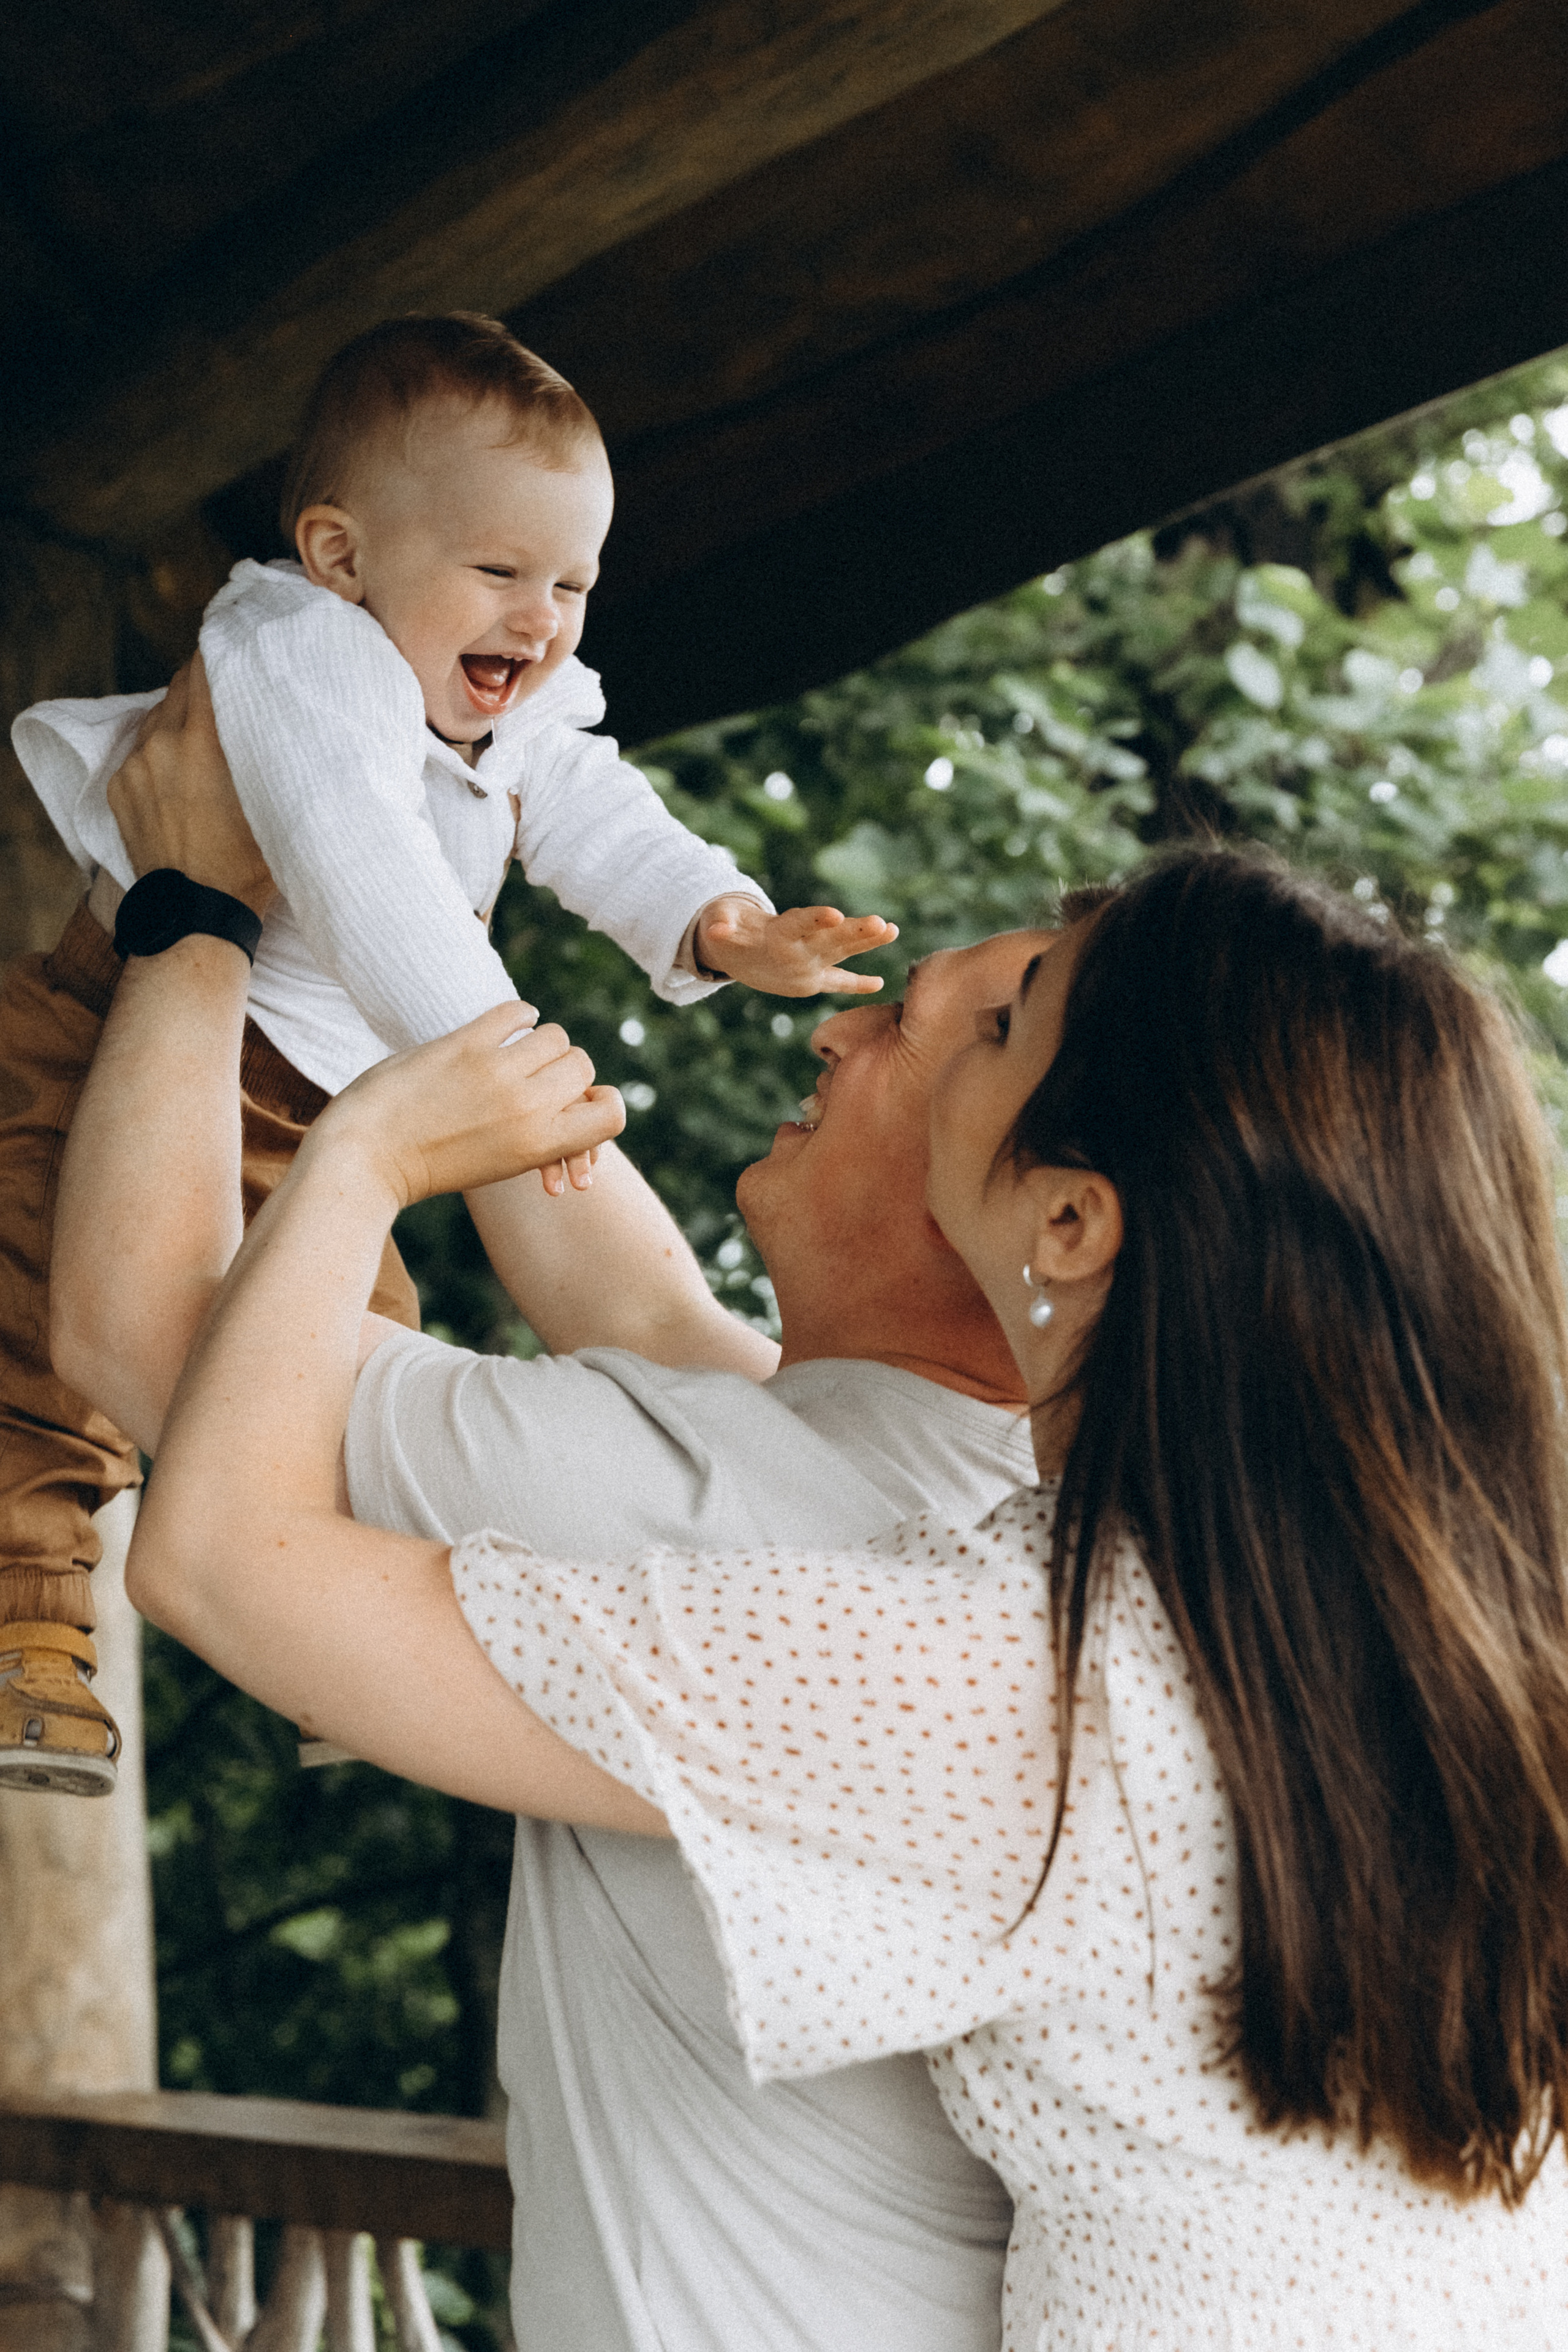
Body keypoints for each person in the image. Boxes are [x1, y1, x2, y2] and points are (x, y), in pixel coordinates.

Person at [93, 825, 1568, 2343]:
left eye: (1000, 1022)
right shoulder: (1413, 1650)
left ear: (1068, 1219)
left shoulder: (1019, 1674)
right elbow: (656, 1319)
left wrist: (360, 1157)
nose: (871, 1026)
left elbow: (216, 1564)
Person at [52, 682, 1035, 2351]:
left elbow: (143, 1332)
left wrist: (194, 908)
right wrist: (364, 840)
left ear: (1036, 1207)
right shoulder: (950, 1476)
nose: (833, 1026)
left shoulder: (716, 1510)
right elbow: (635, 1289)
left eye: (912, 1033)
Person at [0, 310, 894, 1791]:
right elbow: (358, 863)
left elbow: (598, 815)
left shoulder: (512, 699)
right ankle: (31, 1627)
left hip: (339, 1099)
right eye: (498, 573)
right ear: (342, 553)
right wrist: (499, 1063)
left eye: (572, 585)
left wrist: (715, 922)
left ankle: (329, 1641)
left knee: (341, 1363)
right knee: (29, 1318)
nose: (539, 621)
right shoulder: (304, 649)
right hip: (124, 1040)